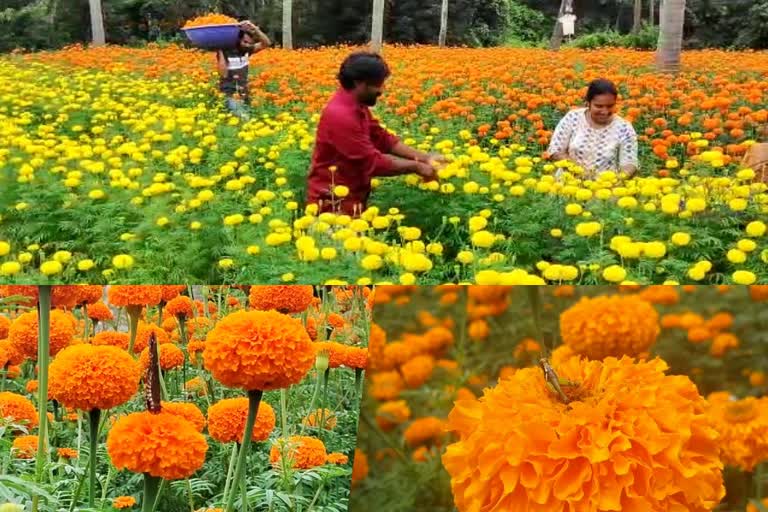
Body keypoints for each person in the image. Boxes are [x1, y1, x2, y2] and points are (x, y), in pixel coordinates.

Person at [306, 52, 445, 217]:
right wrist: (416, 167)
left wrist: (424, 157)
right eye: (378, 84)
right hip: (332, 205)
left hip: (352, 198)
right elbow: (371, 163)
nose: (381, 90)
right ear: (359, 83)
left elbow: (382, 138)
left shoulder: (355, 104)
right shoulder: (341, 116)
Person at [547, 78, 638, 179]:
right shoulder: (573, 118)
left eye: (610, 106)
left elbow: (629, 162)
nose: (605, 111)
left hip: (605, 188)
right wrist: (580, 172)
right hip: (567, 186)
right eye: (599, 106)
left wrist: (619, 178)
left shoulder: (624, 128)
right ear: (588, 103)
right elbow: (555, 151)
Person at [215, 20, 270, 119]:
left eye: (250, 43)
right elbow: (223, 74)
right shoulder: (227, 52)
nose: (247, 45)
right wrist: (220, 51)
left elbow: (266, 43)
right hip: (229, 95)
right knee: (245, 118)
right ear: (239, 39)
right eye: (245, 42)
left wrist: (255, 28)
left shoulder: (247, 51)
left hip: (244, 94)